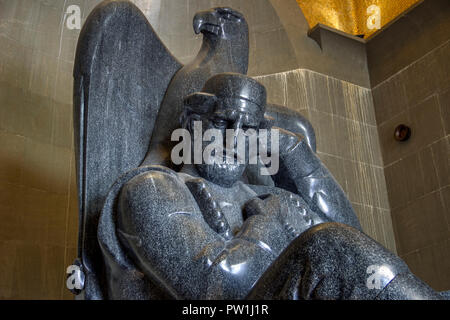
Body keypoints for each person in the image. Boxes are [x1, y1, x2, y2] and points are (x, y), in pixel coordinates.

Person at [98, 73, 442, 300]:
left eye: (248, 128)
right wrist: (269, 224)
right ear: (192, 122)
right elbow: (215, 291)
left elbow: (357, 255)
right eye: (222, 121)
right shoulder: (152, 188)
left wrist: (293, 150)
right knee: (326, 245)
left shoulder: (270, 197)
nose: (234, 137)